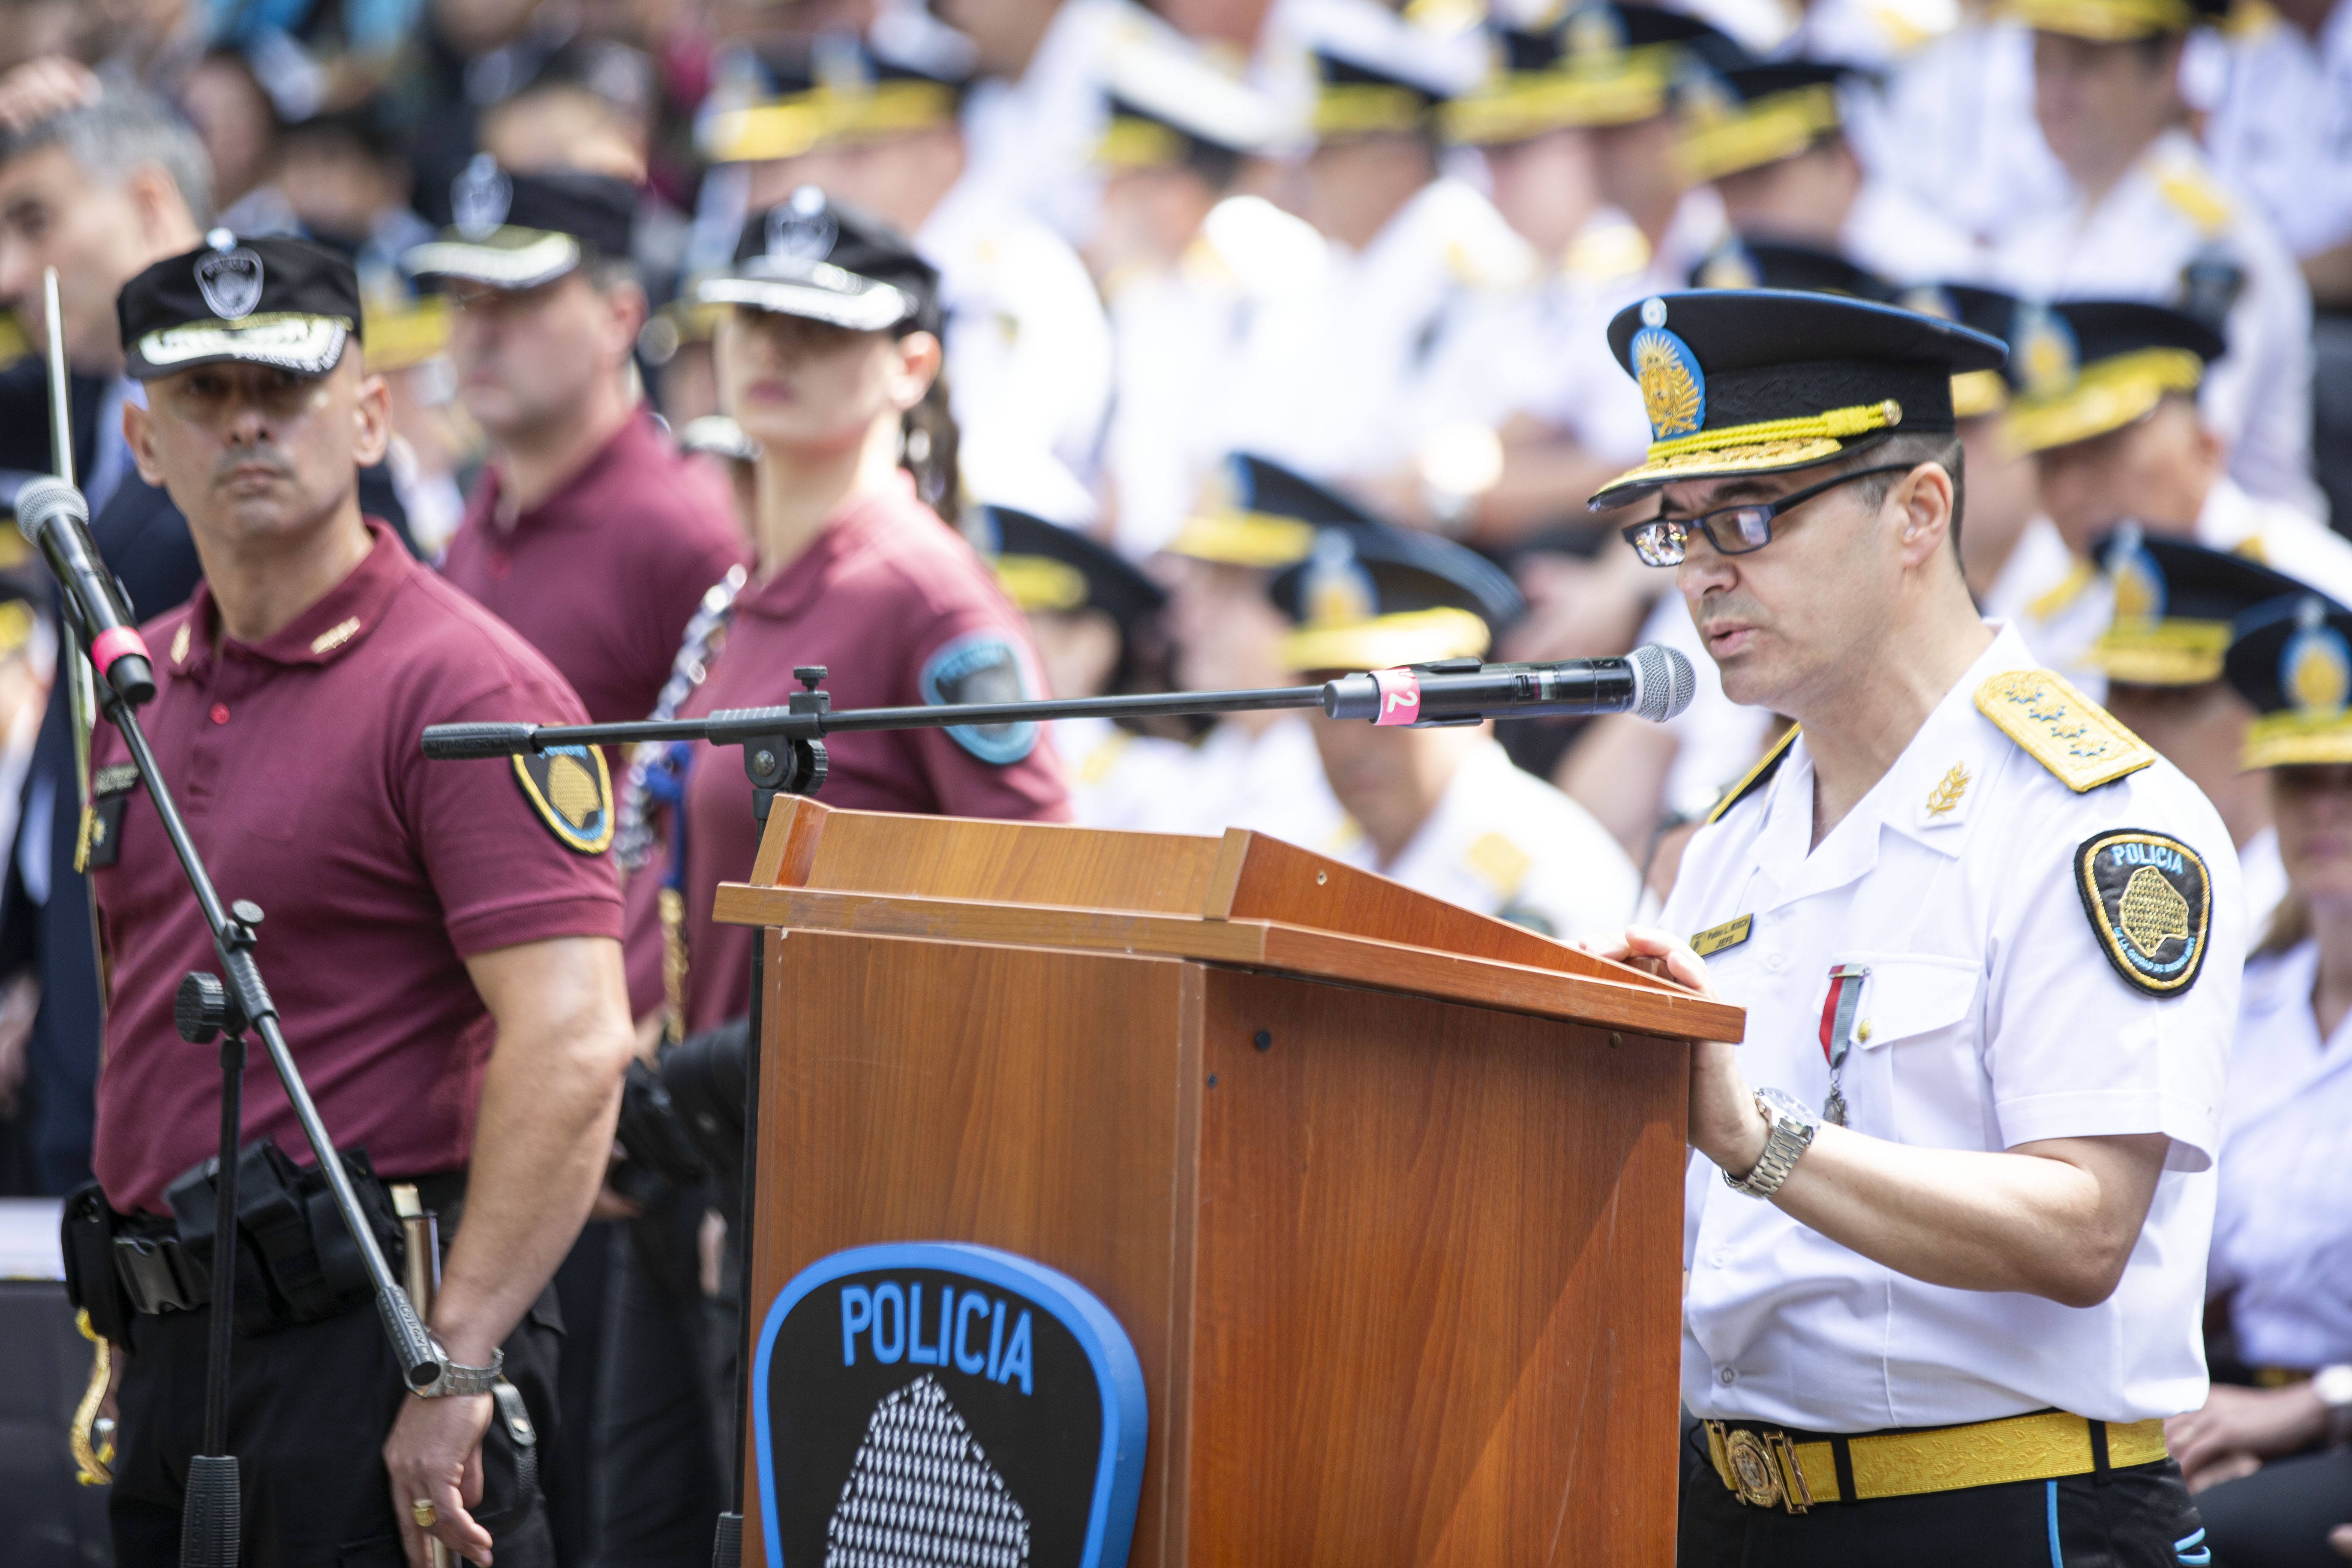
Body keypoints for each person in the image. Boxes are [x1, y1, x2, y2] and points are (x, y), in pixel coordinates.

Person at [1586, 288, 2241, 1565]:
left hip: (1998, 1514)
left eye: (1750, 517)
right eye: (1677, 531)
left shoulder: (2088, 820)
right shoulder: (1729, 837)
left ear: (1917, 514)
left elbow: (2081, 1226)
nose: (1704, 570)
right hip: (1729, 1507)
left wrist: (1752, 1137)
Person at [85, 232, 635, 1567]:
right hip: (171, 1345)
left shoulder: (466, 686)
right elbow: (138, 1008)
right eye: (203, 394)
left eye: (281, 384)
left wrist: (454, 1362)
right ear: (143, 439)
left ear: (372, 413)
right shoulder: (135, 681)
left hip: (376, 1343)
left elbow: (574, 1038)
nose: (248, 421)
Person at [0, 67, 407, 1199]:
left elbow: (375, 620)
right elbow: (95, 707)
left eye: (34, 220)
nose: (245, 424)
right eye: (198, 401)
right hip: (100, 953)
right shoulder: (65, 397)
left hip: (247, 957)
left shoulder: (300, 381)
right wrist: (30, 947)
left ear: (142, 199)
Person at [621, 187, 1069, 1041]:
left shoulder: (924, 594)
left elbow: (1041, 898)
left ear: (912, 366)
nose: (776, 346)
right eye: (752, 316)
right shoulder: (749, 585)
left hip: (838, 1140)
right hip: (703, 1149)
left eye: (822, 326)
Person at [703, 22, 1113, 520]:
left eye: (863, 152)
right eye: (835, 150)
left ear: (946, 148)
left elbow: (993, 471)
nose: (834, 174)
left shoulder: (1014, 275)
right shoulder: (883, 264)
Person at [410, 160, 748, 733]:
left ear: (619, 317)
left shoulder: (687, 534)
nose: (481, 330)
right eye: (463, 297)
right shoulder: (485, 513)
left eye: (519, 297)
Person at [2169, 594, 2352, 1568]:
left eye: (2345, 781)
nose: (2320, 809)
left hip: (2333, 1415)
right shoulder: (2244, 1000)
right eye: (2296, 781)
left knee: (2209, 1537)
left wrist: (2303, 1406)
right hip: (2226, 1391)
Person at [1992, 0, 2319, 517]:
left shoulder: (2216, 243)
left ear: (2171, 63)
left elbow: (2176, 463)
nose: (2056, 92)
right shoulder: (2036, 231)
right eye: (2042, 62)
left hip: (2217, 572)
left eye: (2085, 64)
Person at [1276, 515, 1643, 939]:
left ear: (1471, 702)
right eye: (1331, 707)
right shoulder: (1325, 850)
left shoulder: (1543, 874)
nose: (1350, 741)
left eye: (1386, 704)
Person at [1219, 1, 1533, 491]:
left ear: (1397, 163)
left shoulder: (1467, 271)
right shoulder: (1332, 270)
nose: (1311, 172)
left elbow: (1427, 457)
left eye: (1332, 151)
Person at [2004, 298, 2352, 685]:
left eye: (2102, 451)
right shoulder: (2041, 616)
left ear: (2204, 448)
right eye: (2049, 464)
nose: (2068, 491)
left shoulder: (2313, 583)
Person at [1086, 29, 1320, 558]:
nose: (1105, 197)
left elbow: (1247, 454)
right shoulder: (1146, 286)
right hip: (1156, 560)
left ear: (1177, 195)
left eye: (1124, 179)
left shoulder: (1265, 266)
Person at [2081, 532, 2318, 928]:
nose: (2133, 729)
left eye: (2172, 698)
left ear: (2258, 713)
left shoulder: (2317, 900)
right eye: (2119, 692)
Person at [1153, 451, 1349, 848]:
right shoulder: (1215, 762)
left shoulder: (1336, 786)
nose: (1190, 620)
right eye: (1197, 589)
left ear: (1304, 609)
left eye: (1227, 592)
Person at [978, 503, 1192, 832]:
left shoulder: (1145, 782)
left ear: (1089, 647)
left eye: (1019, 622)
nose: (987, 640)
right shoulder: (982, 755)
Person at [1678, 59, 1980, 284]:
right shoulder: (1730, 280)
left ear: (1844, 160)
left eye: (1760, 179)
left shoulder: (1937, 281)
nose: (1744, 211)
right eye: (1724, 189)